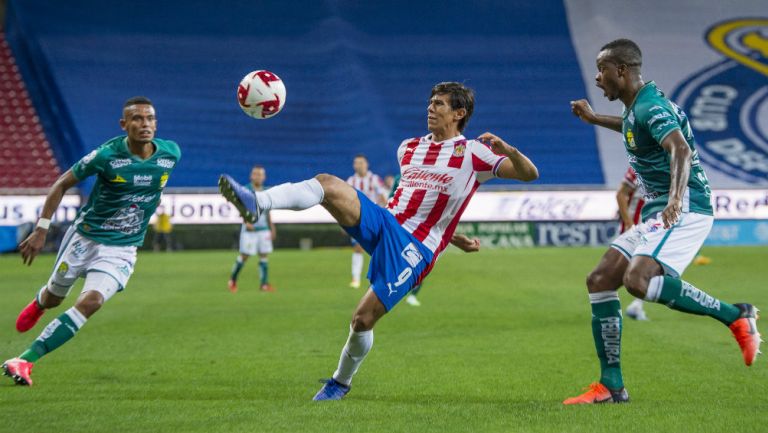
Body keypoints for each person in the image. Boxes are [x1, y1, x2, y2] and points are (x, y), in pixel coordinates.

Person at [218, 81, 539, 400]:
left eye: (439, 104)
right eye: (430, 102)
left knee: (362, 319)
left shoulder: (473, 153)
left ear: (459, 113)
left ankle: (340, 382)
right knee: (328, 183)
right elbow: (419, 202)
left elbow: (529, 174)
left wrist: (507, 151)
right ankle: (256, 203)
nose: (430, 107)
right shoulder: (409, 148)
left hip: (415, 249)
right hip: (386, 221)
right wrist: (454, 237)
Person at [564, 39, 761, 405]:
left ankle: (737, 316)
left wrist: (673, 199)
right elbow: (631, 127)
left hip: (686, 206)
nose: (596, 77)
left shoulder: (651, 106)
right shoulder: (638, 106)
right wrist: (593, 119)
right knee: (600, 280)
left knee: (638, 281)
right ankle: (611, 386)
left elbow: (680, 148)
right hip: (661, 206)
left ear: (621, 71)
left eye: (601, 69)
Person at [2, 96, 181, 386]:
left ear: (156, 123)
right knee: (55, 296)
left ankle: (24, 360)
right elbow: (61, 184)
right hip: (85, 238)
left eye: (149, 118)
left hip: (122, 247)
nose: (144, 124)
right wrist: (41, 229)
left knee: (92, 302)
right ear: (124, 124)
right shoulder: (106, 156)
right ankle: (40, 302)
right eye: (137, 119)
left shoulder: (170, 154)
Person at [228, 165, 277, 293]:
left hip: (264, 228)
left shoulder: (266, 192)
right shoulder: (245, 190)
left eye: (260, 174)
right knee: (245, 255)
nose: (258, 177)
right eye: (256, 174)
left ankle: (264, 284)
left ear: (264, 177)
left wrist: (272, 228)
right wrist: (246, 221)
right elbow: (240, 208)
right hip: (250, 229)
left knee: (264, 255)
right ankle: (232, 279)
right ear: (251, 176)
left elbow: (268, 212)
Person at [346, 155, 388, 289]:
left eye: (361, 163)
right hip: (357, 219)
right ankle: (356, 278)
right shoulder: (351, 181)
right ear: (354, 165)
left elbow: (383, 197)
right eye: (356, 163)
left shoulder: (374, 179)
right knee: (358, 248)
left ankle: (381, 277)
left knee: (379, 248)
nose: (359, 165)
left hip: (374, 219)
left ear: (366, 164)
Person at [615, 167, 648, 320]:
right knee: (618, 271)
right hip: (633, 229)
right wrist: (628, 223)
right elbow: (621, 194)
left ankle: (637, 305)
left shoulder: (668, 167)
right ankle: (607, 302)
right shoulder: (638, 168)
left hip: (652, 230)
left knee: (648, 269)